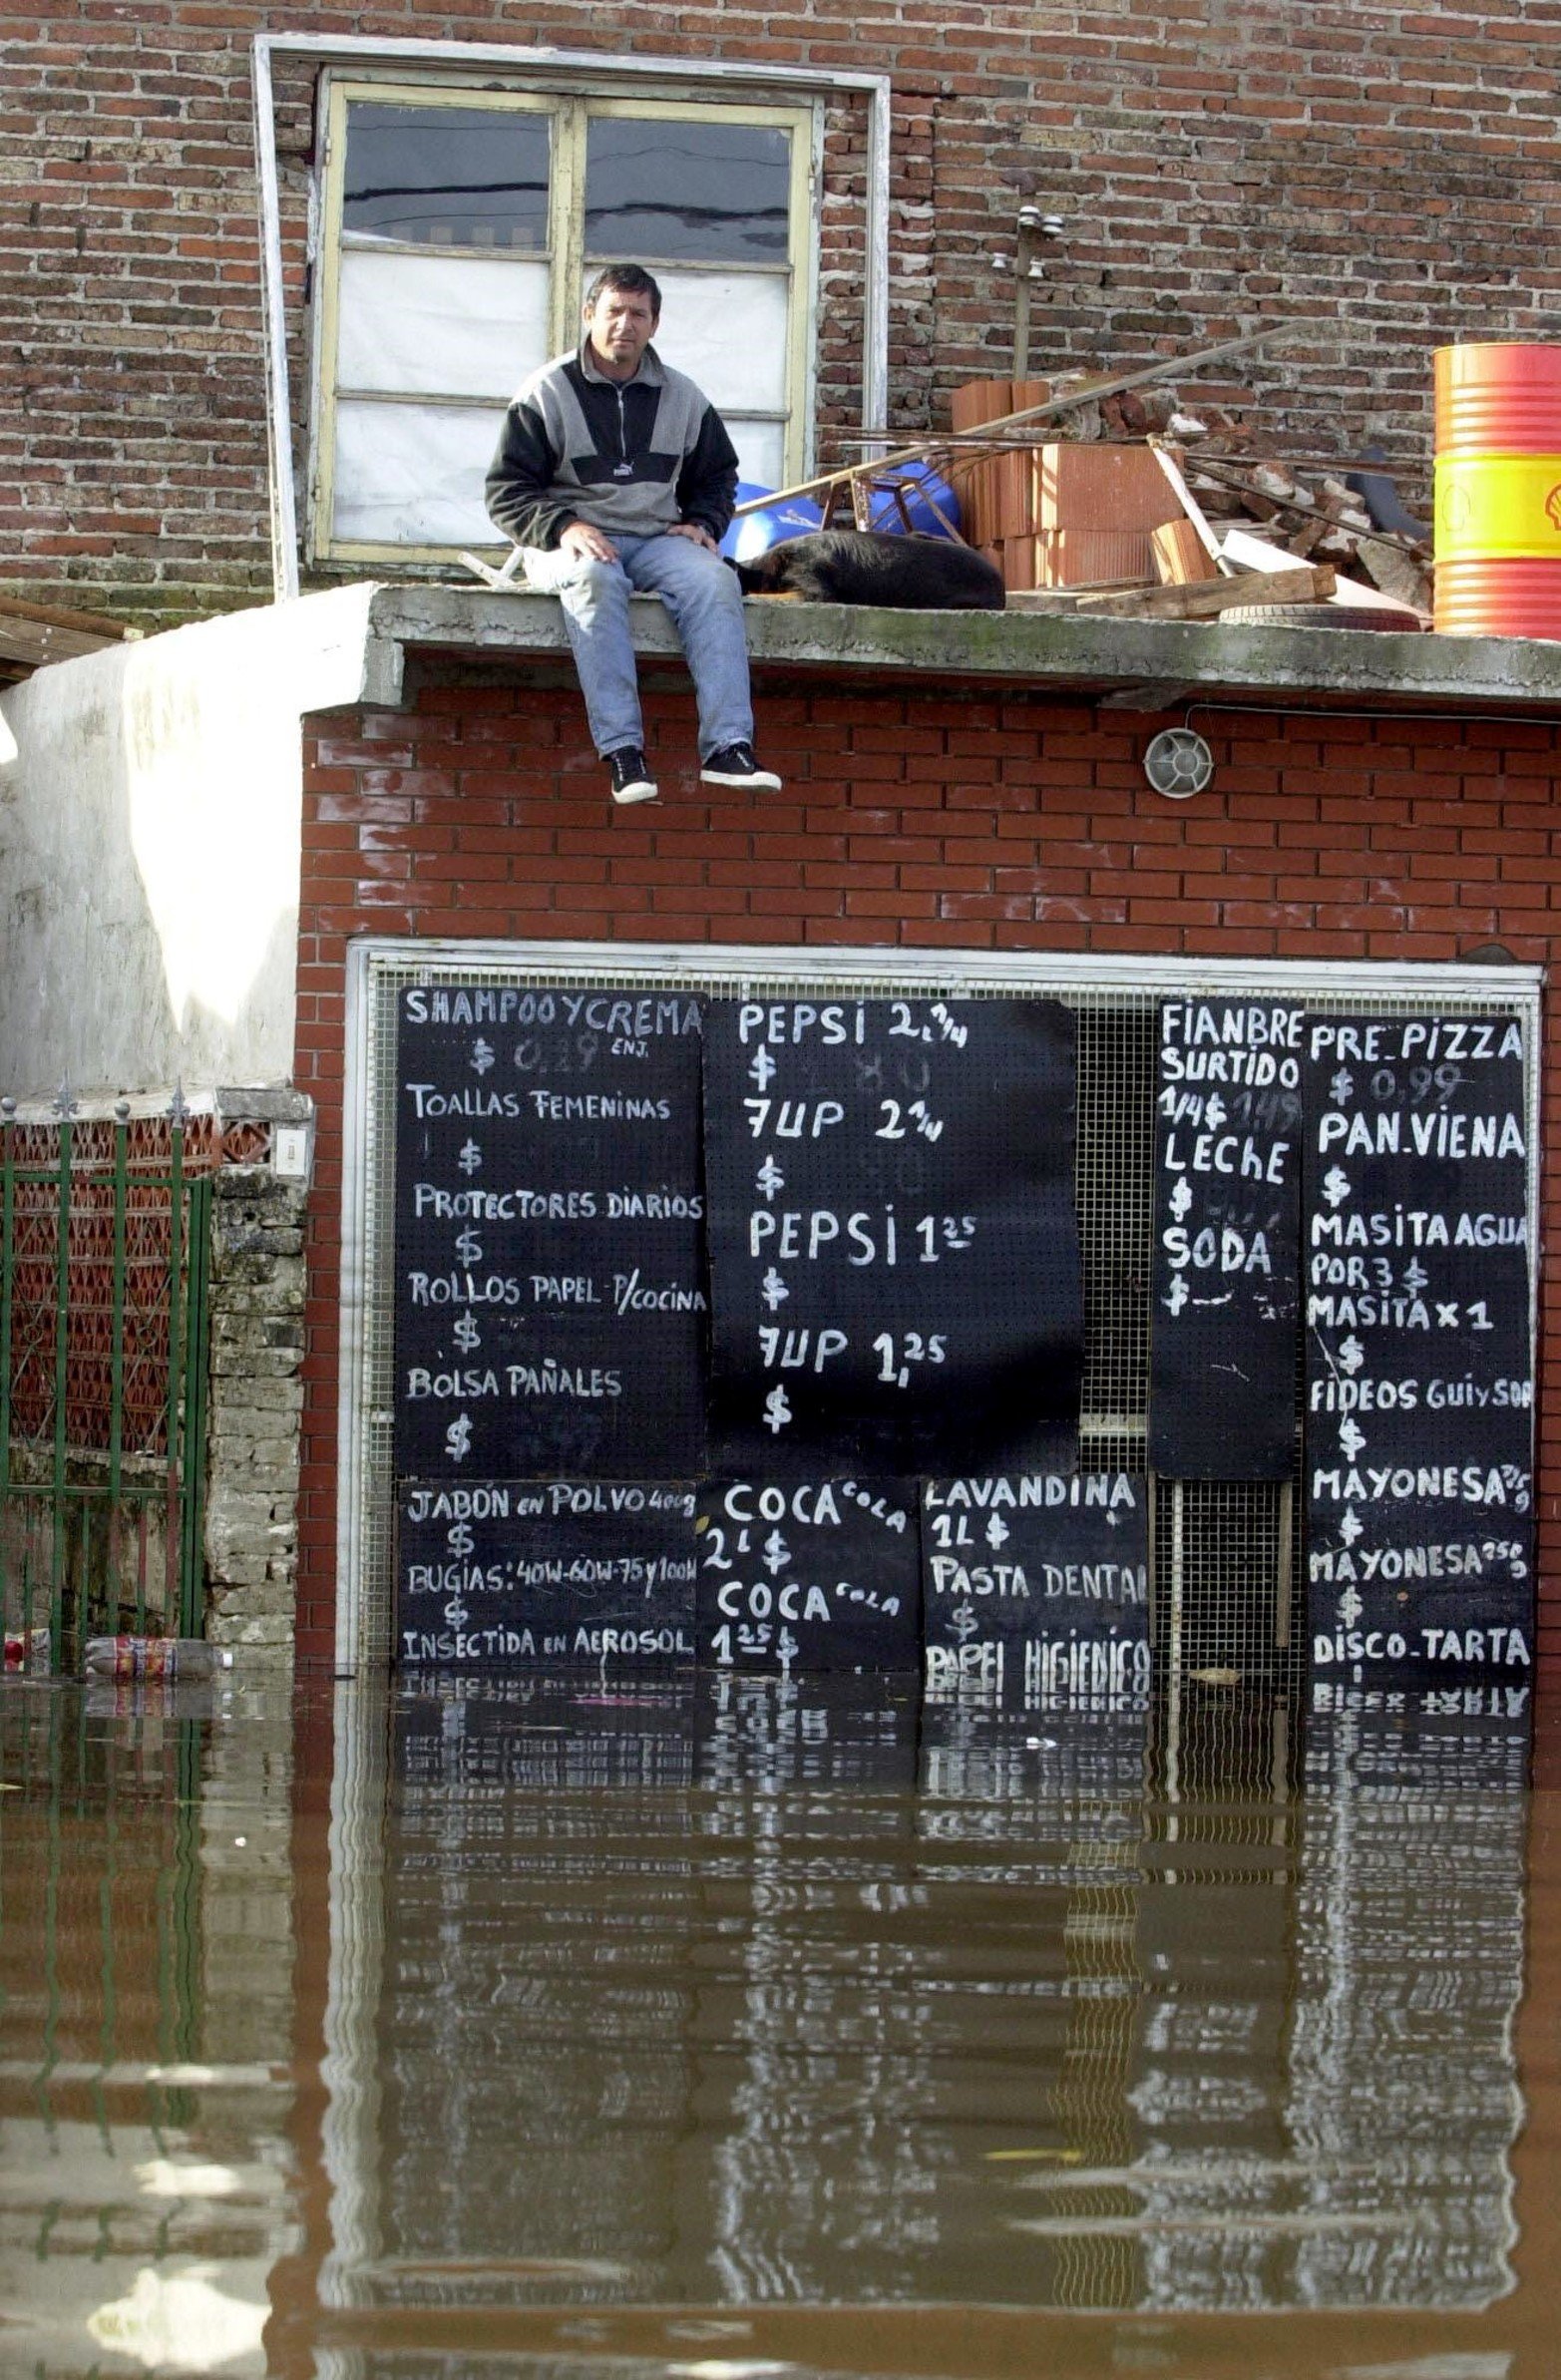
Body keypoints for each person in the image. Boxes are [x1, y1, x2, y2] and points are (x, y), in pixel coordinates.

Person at [485, 263, 782, 808]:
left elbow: (718, 475)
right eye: (614, 311)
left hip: (654, 539)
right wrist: (563, 526)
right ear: (589, 315)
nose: (625, 324)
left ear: (655, 324)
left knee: (716, 581)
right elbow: (506, 492)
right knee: (596, 581)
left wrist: (704, 523)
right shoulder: (546, 391)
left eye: (638, 314)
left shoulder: (684, 397)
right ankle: (624, 752)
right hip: (568, 541)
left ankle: (727, 748)